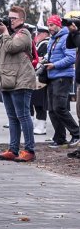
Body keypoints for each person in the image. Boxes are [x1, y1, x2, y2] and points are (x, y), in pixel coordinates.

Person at [0, 6, 37, 163]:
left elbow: (11, 47)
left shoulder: (24, 33)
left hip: (21, 80)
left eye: (13, 18)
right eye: (8, 18)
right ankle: (13, 149)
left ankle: (29, 150)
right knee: (12, 117)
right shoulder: (8, 34)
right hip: (8, 81)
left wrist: (4, 33)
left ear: (22, 20)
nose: (10, 21)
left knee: (23, 115)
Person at [42, 15, 80, 148]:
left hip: (63, 77)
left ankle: (76, 133)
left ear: (59, 25)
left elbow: (70, 58)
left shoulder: (65, 38)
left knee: (59, 107)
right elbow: (52, 55)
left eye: (52, 25)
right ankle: (59, 138)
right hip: (53, 77)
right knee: (52, 110)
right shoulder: (53, 39)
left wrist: (54, 65)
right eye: (48, 25)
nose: (50, 28)